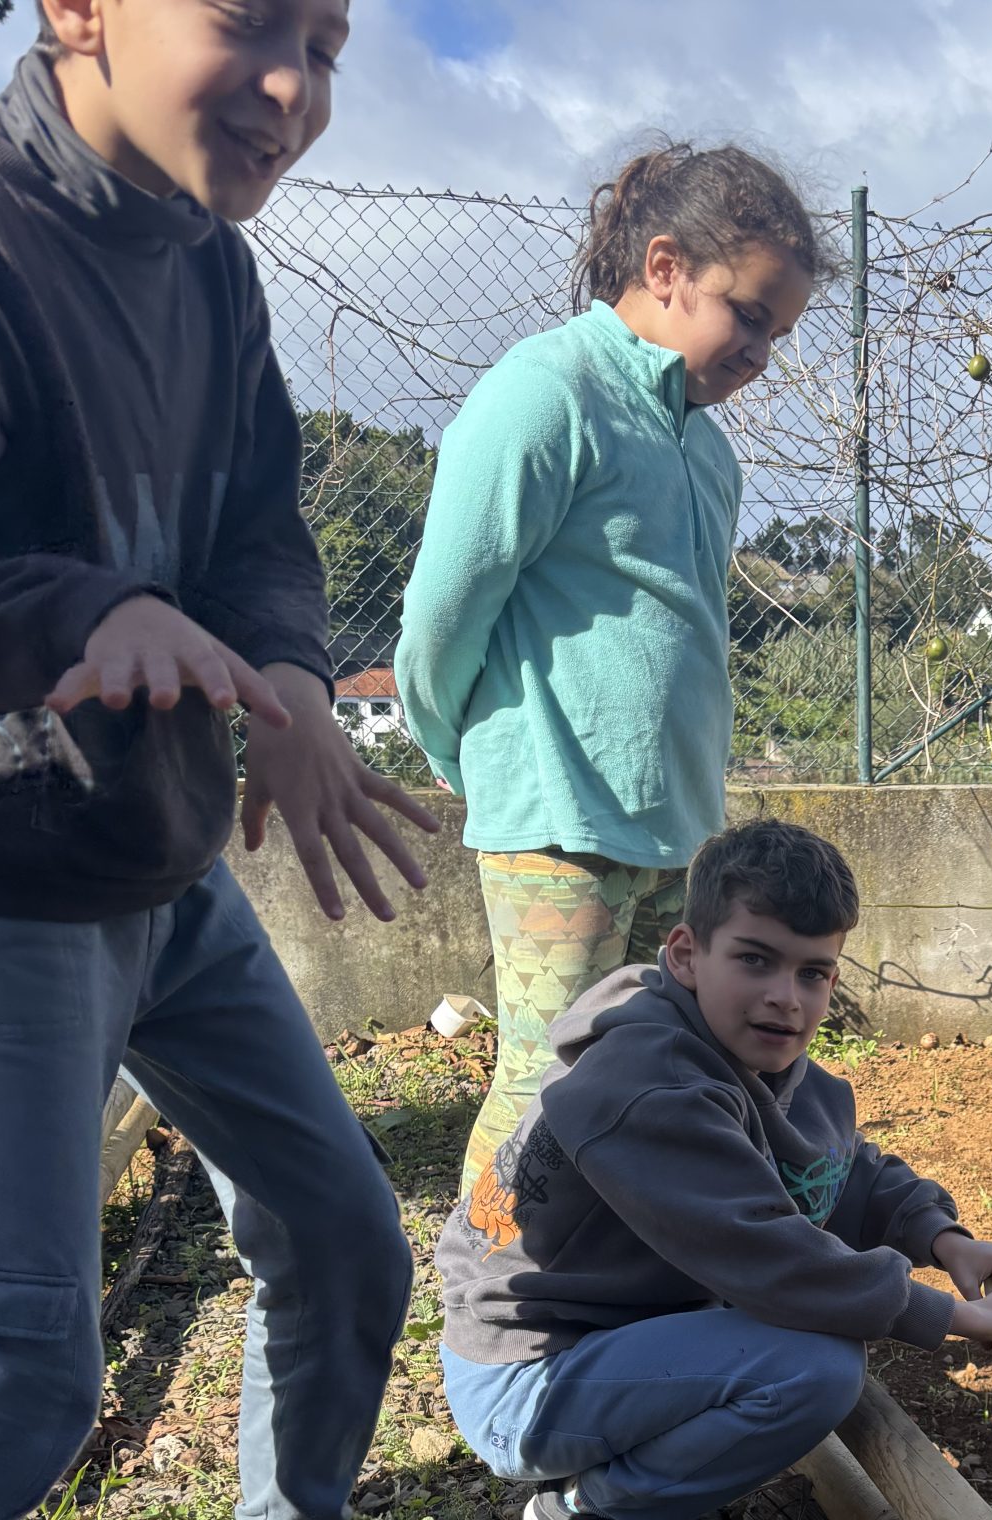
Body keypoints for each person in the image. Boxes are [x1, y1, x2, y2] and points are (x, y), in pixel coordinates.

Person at [0, 0, 457, 1520]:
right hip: (8, 875)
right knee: (19, 1372)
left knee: (342, 1233)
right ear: (78, 7)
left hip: (165, 861)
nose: (294, 92)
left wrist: (275, 669)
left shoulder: (209, 269)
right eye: (252, 26)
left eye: (327, 47)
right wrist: (93, 606)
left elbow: (262, 526)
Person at [437, 820, 992, 1520]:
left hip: (599, 1341)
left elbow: (834, 1166)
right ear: (685, 954)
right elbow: (770, 1258)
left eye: (812, 972)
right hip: (524, 1377)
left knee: (801, 1347)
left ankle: (621, 1467)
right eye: (755, 960)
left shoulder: (746, 1056)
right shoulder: (648, 1082)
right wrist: (955, 1319)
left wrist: (942, 1237)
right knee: (814, 1368)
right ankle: (602, 1516)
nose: (785, 997)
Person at [396, 140, 822, 1200]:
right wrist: (460, 751)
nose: (760, 353)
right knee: (548, 1087)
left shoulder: (707, 448)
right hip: (556, 817)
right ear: (666, 266)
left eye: (777, 333)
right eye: (749, 315)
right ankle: (489, 1293)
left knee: (649, 1081)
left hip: (673, 823)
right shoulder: (547, 392)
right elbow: (445, 611)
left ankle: (608, 1283)